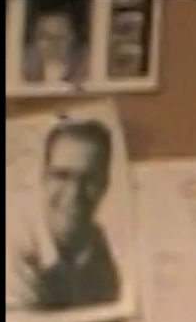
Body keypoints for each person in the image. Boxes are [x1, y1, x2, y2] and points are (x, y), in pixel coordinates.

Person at [7, 118, 122, 311]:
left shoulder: (96, 243)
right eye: (62, 176)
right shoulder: (15, 243)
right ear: (43, 177)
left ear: (105, 185)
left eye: (89, 179)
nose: (74, 193)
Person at [19, 0, 89, 86]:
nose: (52, 45)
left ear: (72, 38)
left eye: (60, 37)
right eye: (45, 37)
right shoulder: (22, 70)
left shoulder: (86, 71)